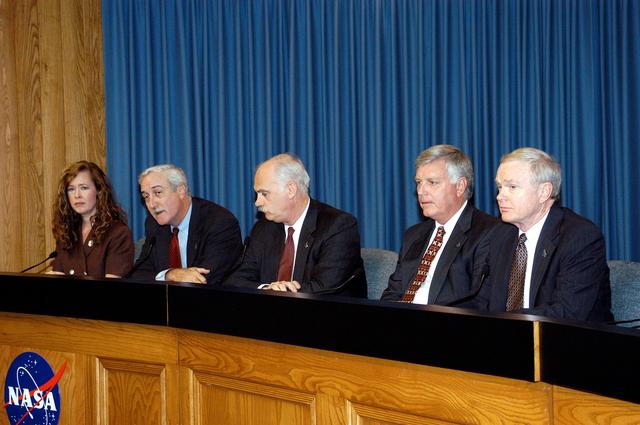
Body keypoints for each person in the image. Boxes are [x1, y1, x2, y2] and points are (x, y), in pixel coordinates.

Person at [474, 147, 612, 321]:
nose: (500, 196)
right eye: (500, 187)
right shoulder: (501, 234)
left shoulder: (580, 237)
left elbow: (568, 312)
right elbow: (481, 299)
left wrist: (501, 322)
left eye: (512, 187)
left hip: (568, 341)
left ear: (544, 192)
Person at [225, 153, 366, 296]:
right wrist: (267, 289)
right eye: (257, 194)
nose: (257, 202)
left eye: (264, 194)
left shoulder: (338, 226)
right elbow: (235, 280)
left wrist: (281, 293)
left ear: (291, 190)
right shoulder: (263, 229)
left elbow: (326, 287)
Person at [381, 145, 499, 305]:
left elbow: (479, 302)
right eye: (419, 182)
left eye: (432, 182)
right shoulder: (414, 235)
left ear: (460, 186)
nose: (421, 191)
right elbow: (393, 293)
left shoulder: (489, 232)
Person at [130, 164, 242, 285]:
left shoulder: (219, 222)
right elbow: (138, 274)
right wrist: (170, 274)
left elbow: (205, 278)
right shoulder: (154, 224)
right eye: (146, 197)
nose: (151, 204)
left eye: (158, 192)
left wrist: (170, 275)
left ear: (181, 190)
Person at [49, 160, 134, 278]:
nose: (77, 195)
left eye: (83, 188)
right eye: (71, 189)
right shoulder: (66, 232)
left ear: (99, 191)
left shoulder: (118, 233)